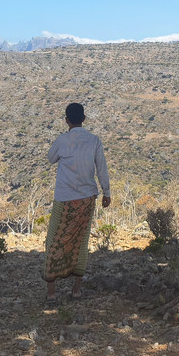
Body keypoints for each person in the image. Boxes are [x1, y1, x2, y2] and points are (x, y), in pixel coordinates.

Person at [43, 102, 111, 304]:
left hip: (64, 199)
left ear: (66, 120)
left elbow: (50, 159)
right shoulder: (94, 141)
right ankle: (76, 290)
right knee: (80, 241)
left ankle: (51, 291)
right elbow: (102, 169)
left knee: (55, 241)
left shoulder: (63, 140)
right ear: (84, 119)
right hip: (86, 199)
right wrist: (107, 193)